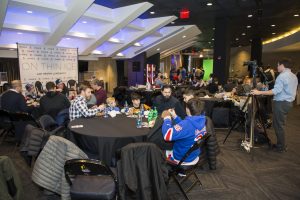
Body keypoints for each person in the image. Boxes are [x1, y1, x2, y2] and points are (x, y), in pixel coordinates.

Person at [251, 58, 298, 152]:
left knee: (278, 126)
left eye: (277, 65)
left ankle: (281, 147)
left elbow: (275, 91)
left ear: (282, 66)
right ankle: (281, 145)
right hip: (288, 103)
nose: (276, 67)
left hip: (281, 103)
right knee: (281, 124)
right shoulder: (293, 76)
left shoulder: (282, 76)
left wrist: (258, 92)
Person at [161, 98, 207, 165]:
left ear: (187, 109)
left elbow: (167, 136)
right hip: (193, 154)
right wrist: (175, 116)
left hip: (181, 158)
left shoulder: (186, 125)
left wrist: (167, 119)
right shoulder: (202, 119)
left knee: (159, 149)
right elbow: (186, 127)